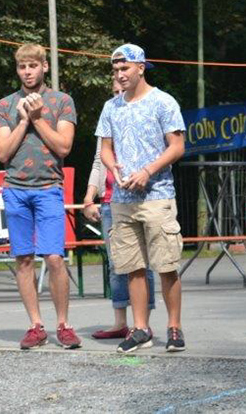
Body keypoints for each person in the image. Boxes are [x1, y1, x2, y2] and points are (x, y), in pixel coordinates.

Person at [96, 44, 186, 354]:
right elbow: (105, 147)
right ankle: (140, 328)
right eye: (116, 70)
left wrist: (148, 170)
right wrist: (113, 166)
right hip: (122, 198)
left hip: (157, 195)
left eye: (125, 69)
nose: (119, 75)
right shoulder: (112, 107)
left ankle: (174, 327)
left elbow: (177, 146)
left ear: (140, 68)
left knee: (166, 265)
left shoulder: (163, 102)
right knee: (132, 266)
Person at [0, 43, 80, 350]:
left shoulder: (62, 101)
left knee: (54, 257)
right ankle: (35, 325)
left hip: (48, 189)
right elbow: (2, 152)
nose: (27, 72)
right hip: (15, 188)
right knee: (24, 259)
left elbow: (64, 147)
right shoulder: (5, 105)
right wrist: (24, 121)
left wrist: (39, 117)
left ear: (44, 66)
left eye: (32, 66)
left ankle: (63, 325)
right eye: (22, 67)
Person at [82, 75, 155, 340]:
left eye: (121, 90)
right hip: (110, 201)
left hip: (139, 198)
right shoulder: (109, 118)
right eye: (113, 91)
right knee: (116, 264)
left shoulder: (142, 116)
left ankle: (143, 322)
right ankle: (120, 321)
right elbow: (98, 162)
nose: (117, 94)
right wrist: (90, 196)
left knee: (142, 263)